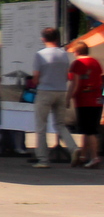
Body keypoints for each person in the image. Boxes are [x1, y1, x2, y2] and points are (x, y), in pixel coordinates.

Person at [30, 28, 78, 166]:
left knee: (41, 126)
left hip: (45, 91)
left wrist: (33, 81)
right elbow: (65, 75)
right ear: (57, 38)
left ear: (43, 39)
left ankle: (43, 159)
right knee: (60, 124)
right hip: (61, 91)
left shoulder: (40, 55)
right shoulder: (64, 54)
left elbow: (35, 78)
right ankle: (73, 149)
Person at [66, 41, 101, 168]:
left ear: (76, 52)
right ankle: (82, 156)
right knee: (86, 130)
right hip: (97, 100)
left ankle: (95, 158)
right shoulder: (96, 63)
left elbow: (75, 84)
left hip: (84, 101)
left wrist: (69, 97)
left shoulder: (77, 64)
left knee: (90, 131)